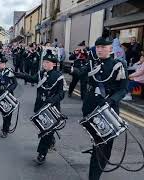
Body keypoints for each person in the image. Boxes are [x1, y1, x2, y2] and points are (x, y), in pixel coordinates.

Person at [64, 37, 128, 180]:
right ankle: (95, 169)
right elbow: (81, 73)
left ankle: (96, 172)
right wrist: (70, 69)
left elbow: (123, 90)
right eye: (98, 47)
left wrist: (112, 100)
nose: (99, 49)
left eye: (103, 47)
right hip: (91, 108)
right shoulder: (92, 63)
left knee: (104, 144)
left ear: (110, 49)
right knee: (97, 142)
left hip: (108, 109)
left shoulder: (118, 65)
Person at [15, 49, 65, 165]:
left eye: (48, 63)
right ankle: (50, 140)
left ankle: (41, 154)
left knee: (46, 131)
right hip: (40, 106)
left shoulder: (59, 76)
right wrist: (18, 75)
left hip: (52, 107)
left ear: (54, 64)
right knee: (44, 129)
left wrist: (52, 100)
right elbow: (31, 78)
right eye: (44, 62)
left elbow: (61, 94)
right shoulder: (40, 73)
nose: (45, 64)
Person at [0, 55, 17, 138]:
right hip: (0, 95)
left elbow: (15, 83)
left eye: (1, 64)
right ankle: (6, 124)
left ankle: (5, 130)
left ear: (4, 64)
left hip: (8, 95)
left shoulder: (9, 71)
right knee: (4, 112)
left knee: (8, 113)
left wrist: (8, 90)